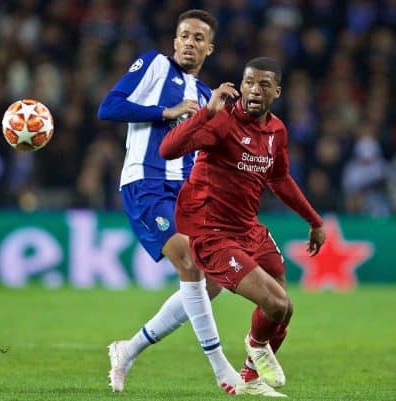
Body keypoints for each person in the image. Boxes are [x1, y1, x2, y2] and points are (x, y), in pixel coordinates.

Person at [160, 57, 326, 397]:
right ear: (242, 85)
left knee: (285, 310)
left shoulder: (276, 130)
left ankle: (250, 378)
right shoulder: (222, 123)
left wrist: (314, 220)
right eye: (249, 82)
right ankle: (256, 345)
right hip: (213, 233)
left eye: (264, 85)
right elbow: (168, 149)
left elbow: (279, 179)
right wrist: (206, 112)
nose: (254, 89)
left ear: (276, 92)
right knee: (276, 305)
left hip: (248, 228)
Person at [97, 9, 239, 395]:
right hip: (147, 183)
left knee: (213, 284)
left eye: (198, 39)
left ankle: (128, 349)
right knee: (190, 262)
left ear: (210, 48)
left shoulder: (208, 96)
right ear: (174, 41)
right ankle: (221, 369)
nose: (189, 43)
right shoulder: (155, 65)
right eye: (184, 36)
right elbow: (108, 107)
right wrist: (166, 112)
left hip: (187, 194)